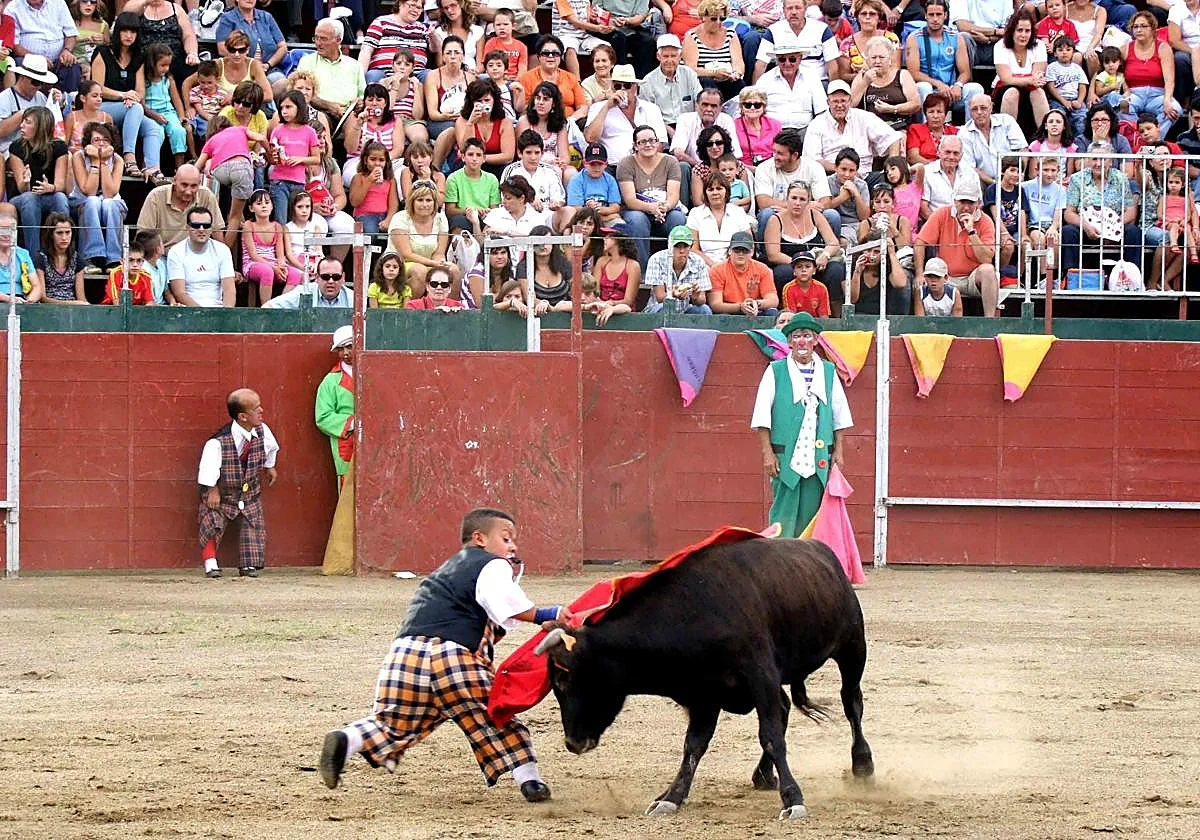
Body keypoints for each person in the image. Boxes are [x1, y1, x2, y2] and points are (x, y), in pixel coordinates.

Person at [318, 507, 569, 801]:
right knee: (496, 717)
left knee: (393, 722)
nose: (513, 546)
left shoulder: (444, 573)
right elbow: (503, 599)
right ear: (479, 538)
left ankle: (347, 739)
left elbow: (494, 612)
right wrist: (546, 614)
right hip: (453, 658)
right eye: (506, 538)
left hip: (403, 656)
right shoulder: (492, 565)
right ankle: (531, 782)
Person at [751, 311, 852, 539]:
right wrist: (768, 453)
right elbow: (762, 416)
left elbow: (839, 415)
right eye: (796, 336)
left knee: (815, 516)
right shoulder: (775, 371)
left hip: (819, 458)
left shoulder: (827, 371)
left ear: (816, 340)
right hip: (785, 457)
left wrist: (839, 451)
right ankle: (779, 567)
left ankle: (808, 568)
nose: (802, 341)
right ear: (789, 342)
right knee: (782, 516)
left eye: (807, 335)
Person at [197, 387, 280, 579]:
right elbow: (208, 468)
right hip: (223, 492)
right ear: (242, 416)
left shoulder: (262, 430)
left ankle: (249, 564)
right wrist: (212, 490)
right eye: (256, 409)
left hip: (248, 490)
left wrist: (270, 467)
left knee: (253, 522)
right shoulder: (217, 442)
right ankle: (210, 563)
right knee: (212, 520)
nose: (261, 411)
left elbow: (271, 449)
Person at [914, 177, 1001, 317]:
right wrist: (919, 273)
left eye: (971, 202)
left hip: (971, 279)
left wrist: (971, 231)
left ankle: (989, 321)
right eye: (962, 201)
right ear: (955, 200)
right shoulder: (942, 214)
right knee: (926, 276)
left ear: (978, 203)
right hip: (945, 277)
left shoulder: (986, 221)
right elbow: (920, 242)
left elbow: (986, 259)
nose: (966, 207)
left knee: (988, 271)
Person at [90, 13, 161, 178]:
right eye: (125, 31)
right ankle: (129, 157)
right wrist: (123, 95)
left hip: (128, 107)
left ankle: (153, 170)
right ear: (117, 32)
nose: (129, 36)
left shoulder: (138, 57)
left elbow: (141, 91)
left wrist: (132, 97)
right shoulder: (103, 52)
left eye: (133, 32)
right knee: (135, 108)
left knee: (153, 128)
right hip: (102, 105)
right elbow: (97, 88)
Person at [1060, 141, 1142, 281]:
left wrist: (1112, 228)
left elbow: (1130, 211)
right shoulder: (1077, 179)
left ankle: (1132, 278)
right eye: (1094, 159)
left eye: (1103, 159)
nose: (1098, 163)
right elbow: (1069, 213)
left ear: (1111, 161)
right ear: (1087, 160)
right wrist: (1086, 226)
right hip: (1087, 229)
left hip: (1114, 229)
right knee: (1068, 231)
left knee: (1133, 232)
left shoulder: (1120, 178)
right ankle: (1070, 278)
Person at [617, 123, 687, 266]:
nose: (648, 145)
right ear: (635, 145)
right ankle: (641, 271)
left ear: (657, 142)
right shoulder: (626, 164)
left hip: (664, 211)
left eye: (652, 140)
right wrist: (652, 208)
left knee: (677, 218)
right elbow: (630, 200)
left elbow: (673, 196)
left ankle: (675, 267)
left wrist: (664, 208)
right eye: (642, 142)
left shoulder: (670, 162)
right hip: (638, 210)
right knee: (637, 220)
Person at [6, 106, 69, 264]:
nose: (21, 126)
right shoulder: (16, 148)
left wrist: (51, 188)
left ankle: (62, 254)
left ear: (40, 126)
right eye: (23, 122)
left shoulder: (59, 147)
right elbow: (21, 188)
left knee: (60, 198)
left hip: (50, 195)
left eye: (27, 122)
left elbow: (61, 184)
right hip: (22, 198)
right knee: (30, 198)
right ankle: (33, 258)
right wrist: (26, 182)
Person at [801, 80, 904, 176]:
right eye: (835, 101)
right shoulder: (817, 124)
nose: (840, 105)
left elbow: (893, 139)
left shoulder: (864, 117)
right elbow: (812, 160)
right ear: (828, 102)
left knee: (884, 182)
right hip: (831, 177)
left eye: (843, 101)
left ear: (850, 101)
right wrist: (842, 170)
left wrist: (891, 167)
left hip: (865, 176)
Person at [904, 0, 981, 116]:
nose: (935, 19)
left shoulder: (956, 37)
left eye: (939, 14)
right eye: (931, 15)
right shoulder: (914, 38)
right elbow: (914, 73)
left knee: (975, 88)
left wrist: (958, 85)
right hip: (929, 90)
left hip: (951, 90)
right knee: (923, 87)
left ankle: (970, 131)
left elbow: (965, 72)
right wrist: (938, 84)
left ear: (945, 15)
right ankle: (925, 130)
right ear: (925, 15)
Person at [68, 120, 126, 269]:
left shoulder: (118, 160)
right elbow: (88, 191)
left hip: (111, 203)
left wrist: (104, 162)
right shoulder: (79, 157)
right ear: (88, 143)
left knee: (108, 204)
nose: (101, 144)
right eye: (96, 140)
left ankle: (114, 259)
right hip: (83, 202)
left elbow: (110, 193)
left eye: (106, 140)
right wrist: (95, 160)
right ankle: (93, 256)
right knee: (93, 201)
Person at [583, 64, 669, 163]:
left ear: (635, 88)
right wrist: (606, 107)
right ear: (612, 88)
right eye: (618, 86)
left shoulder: (651, 109)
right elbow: (590, 138)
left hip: (645, 165)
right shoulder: (598, 107)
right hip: (612, 165)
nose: (622, 90)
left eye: (627, 86)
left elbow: (660, 144)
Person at [1120, 10, 1180, 137]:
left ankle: (1156, 140)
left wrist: (1167, 100)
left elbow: (1169, 80)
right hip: (1134, 93)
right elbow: (1116, 73)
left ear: (1153, 28)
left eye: (1143, 26)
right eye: (1135, 27)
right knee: (1121, 106)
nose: (1139, 30)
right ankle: (1137, 139)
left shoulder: (1163, 48)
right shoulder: (1125, 48)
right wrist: (1125, 90)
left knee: (1175, 109)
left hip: (1157, 95)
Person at [990, 9, 1049, 135]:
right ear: (1012, 31)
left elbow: (1038, 78)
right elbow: (1006, 79)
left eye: (1027, 31)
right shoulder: (1001, 46)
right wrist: (1028, 79)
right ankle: (1007, 139)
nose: (1023, 35)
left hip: (1030, 90)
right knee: (1012, 92)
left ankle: (1044, 139)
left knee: (1038, 92)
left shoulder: (1039, 46)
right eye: (1019, 30)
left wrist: (1026, 80)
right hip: (1005, 91)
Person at [753, 0, 839, 86]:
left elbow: (832, 66)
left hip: (818, 82)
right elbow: (761, 65)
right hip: (784, 84)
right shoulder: (773, 30)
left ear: (805, 8)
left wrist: (833, 91)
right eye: (789, 8)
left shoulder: (822, 29)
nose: (794, 12)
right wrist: (754, 92)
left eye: (798, 8)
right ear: (783, 10)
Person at [138, 164, 225, 249]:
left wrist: (221, 256)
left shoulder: (206, 195)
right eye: (184, 185)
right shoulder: (156, 196)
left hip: (196, 255)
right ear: (174, 180)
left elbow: (217, 230)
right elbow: (144, 235)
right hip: (163, 256)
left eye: (194, 186)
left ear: (199, 183)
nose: (188, 191)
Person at [7, 0, 82, 93]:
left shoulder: (58, 3)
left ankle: (70, 103)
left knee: (72, 65)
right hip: (29, 58)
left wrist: (67, 50)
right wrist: (37, 58)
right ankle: (32, 104)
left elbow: (71, 34)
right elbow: (14, 45)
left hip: (59, 58)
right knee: (22, 65)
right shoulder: (12, 8)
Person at [299, 18, 367, 120]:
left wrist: (360, 103)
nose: (318, 43)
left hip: (348, 114)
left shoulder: (355, 65)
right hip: (318, 112)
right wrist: (328, 105)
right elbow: (301, 94)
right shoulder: (307, 62)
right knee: (320, 119)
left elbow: (363, 95)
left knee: (355, 120)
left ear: (338, 40)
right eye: (316, 38)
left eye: (323, 39)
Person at [168, 205, 236, 308]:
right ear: (187, 228)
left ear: (211, 228)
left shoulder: (223, 250)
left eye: (206, 225)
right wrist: (202, 313)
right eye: (196, 225)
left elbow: (229, 290)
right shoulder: (176, 252)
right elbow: (179, 293)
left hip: (218, 310)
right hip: (188, 311)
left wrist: (226, 314)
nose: (201, 229)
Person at [315, 325, 356, 490]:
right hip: (347, 443)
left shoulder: (374, 372)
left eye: (349, 346)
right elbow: (323, 417)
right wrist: (353, 423)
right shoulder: (330, 381)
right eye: (340, 349)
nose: (345, 353)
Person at [756, 40, 828, 132]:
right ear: (777, 60)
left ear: (800, 59)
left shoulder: (811, 77)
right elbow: (755, 109)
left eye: (792, 59)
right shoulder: (765, 80)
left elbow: (821, 111)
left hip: (805, 130)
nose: (787, 63)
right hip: (773, 131)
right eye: (782, 59)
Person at [958, 94, 1028, 187]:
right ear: (969, 111)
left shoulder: (1006, 121)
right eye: (974, 109)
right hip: (985, 183)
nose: (979, 112)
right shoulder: (964, 133)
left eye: (983, 108)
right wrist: (996, 184)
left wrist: (1020, 175)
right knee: (973, 179)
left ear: (991, 107)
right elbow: (972, 168)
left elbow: (1022, 150)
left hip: (1014, 178)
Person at [683, 0, 745, 102]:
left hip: (726, 78)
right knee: (708, 84)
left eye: (722, 18)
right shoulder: (692, 36)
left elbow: (738, 63)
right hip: (703, 80)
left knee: (739, 84)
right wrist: (713, 73)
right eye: (714, 19)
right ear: (703, 17)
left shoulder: (730, 33)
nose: (718, 22)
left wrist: (736, 73)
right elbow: (690, 69)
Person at [639, 34, 702, 133]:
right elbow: (648, 115)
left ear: (680, 56)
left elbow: (700, 102)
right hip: (661, 128)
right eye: (665, 56)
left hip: (690, 126)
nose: (669, 60)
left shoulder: (690, 74)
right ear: (658, 57)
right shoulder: (648, 81)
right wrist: (669, 131)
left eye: (673, 56)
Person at [643, 224, 713, 313]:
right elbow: (660, 297)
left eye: (685, 246)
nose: (682, 251)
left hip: (685, 309)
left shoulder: (698, 261)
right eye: (677, 246)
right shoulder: (656, 259)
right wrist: (673, 294)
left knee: (704, 310)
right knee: (663, 307)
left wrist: (696, 297)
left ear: (690, 247)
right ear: (669, 246)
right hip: (657, 308)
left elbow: (702, 300)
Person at [707, 229, 779, 316]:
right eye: (737, 250)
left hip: (755, 310)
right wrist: (740, 307)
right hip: (729, 311)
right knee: (722, 316)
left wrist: (757, 303)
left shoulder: (762, 269)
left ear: (752, 252)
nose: (741, 254)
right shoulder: (717, 270)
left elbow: (773, 300)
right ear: (730, 251)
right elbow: (715, 304)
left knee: (771, 312)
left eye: (745, 250)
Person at [518, 35, 591, 121]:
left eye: (555, 53)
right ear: (538, 56)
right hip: (538, 123)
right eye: (545, 53)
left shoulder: (571, 78)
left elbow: (582, 108)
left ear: (560, 57)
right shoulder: (526, 78)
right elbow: (524, 109)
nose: (551, 56)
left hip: (568, 123)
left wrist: (570, 121)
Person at [214, 0, 288, 84]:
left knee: (282, 83)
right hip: (242, 69)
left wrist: (268, 64)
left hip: (269, 69)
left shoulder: (267, 17)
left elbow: (283, 47)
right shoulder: (227, 18)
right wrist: (250, 64)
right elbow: (221, 48)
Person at [264, 257, 356, 308]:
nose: (331, 281)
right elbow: (268, 307)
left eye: (336, 277)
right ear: (317, 278)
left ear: (343, 278)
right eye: (325, 277)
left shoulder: (353, 298)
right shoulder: (304, 292)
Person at [35, 212, 85, 303]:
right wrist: (68, 304)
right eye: (59, 233)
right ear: (51, 235)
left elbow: (81, 297)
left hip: (73, 310)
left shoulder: (77, 259)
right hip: (49, 308)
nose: (64, 237)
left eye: (67, 232)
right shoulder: (41, 258)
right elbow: (42, 297)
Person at [732, 86, 780, 168]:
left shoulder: (775, 125)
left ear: (764, 107)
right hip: (743, 169)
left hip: (772, 168)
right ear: (741, 107)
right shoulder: (733, 126)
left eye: (757, 105)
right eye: (748, 105)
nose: (752, 108)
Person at [102, 238, 156, 305]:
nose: (135, 265)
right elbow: (115, 301)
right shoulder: (115, 273)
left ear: (143, 262)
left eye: (139, 260)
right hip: (111, 310)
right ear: (122, 261)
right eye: (130, 260)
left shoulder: (146, 276)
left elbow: (150, 302)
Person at [779, 249, 831, 317]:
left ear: (814, 270)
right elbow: (790, 316)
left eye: (808, 266)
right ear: (794, 271)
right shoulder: (788, 288)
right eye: (799, 267)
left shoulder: (821, 288)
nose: (803, 270)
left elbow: (824, 316)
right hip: (796, 323)